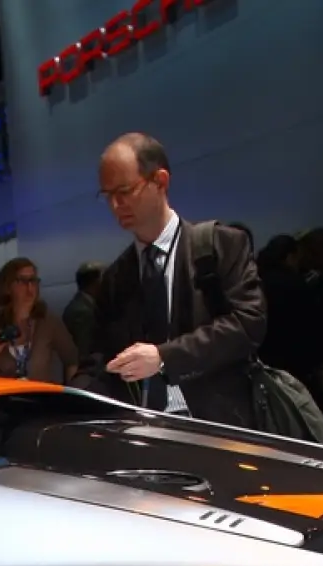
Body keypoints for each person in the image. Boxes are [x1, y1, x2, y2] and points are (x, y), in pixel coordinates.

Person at [87, 132, 267, 426]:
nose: (115, 206)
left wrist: (164, 357)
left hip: (222, 427)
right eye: (107, 196)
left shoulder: (220, 246)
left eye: (125, 191)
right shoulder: (116, 278)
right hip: (145, 432)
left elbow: (248, 323)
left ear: (160, 181)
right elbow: (100, 358)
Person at [0, 258, 80, 384]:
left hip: (41, 401)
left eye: (33, 281)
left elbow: (72, 361)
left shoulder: (48, 322)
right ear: (7, 287)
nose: (30, 288)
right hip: (7, 401)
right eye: (22, 281)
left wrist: (69, 395)